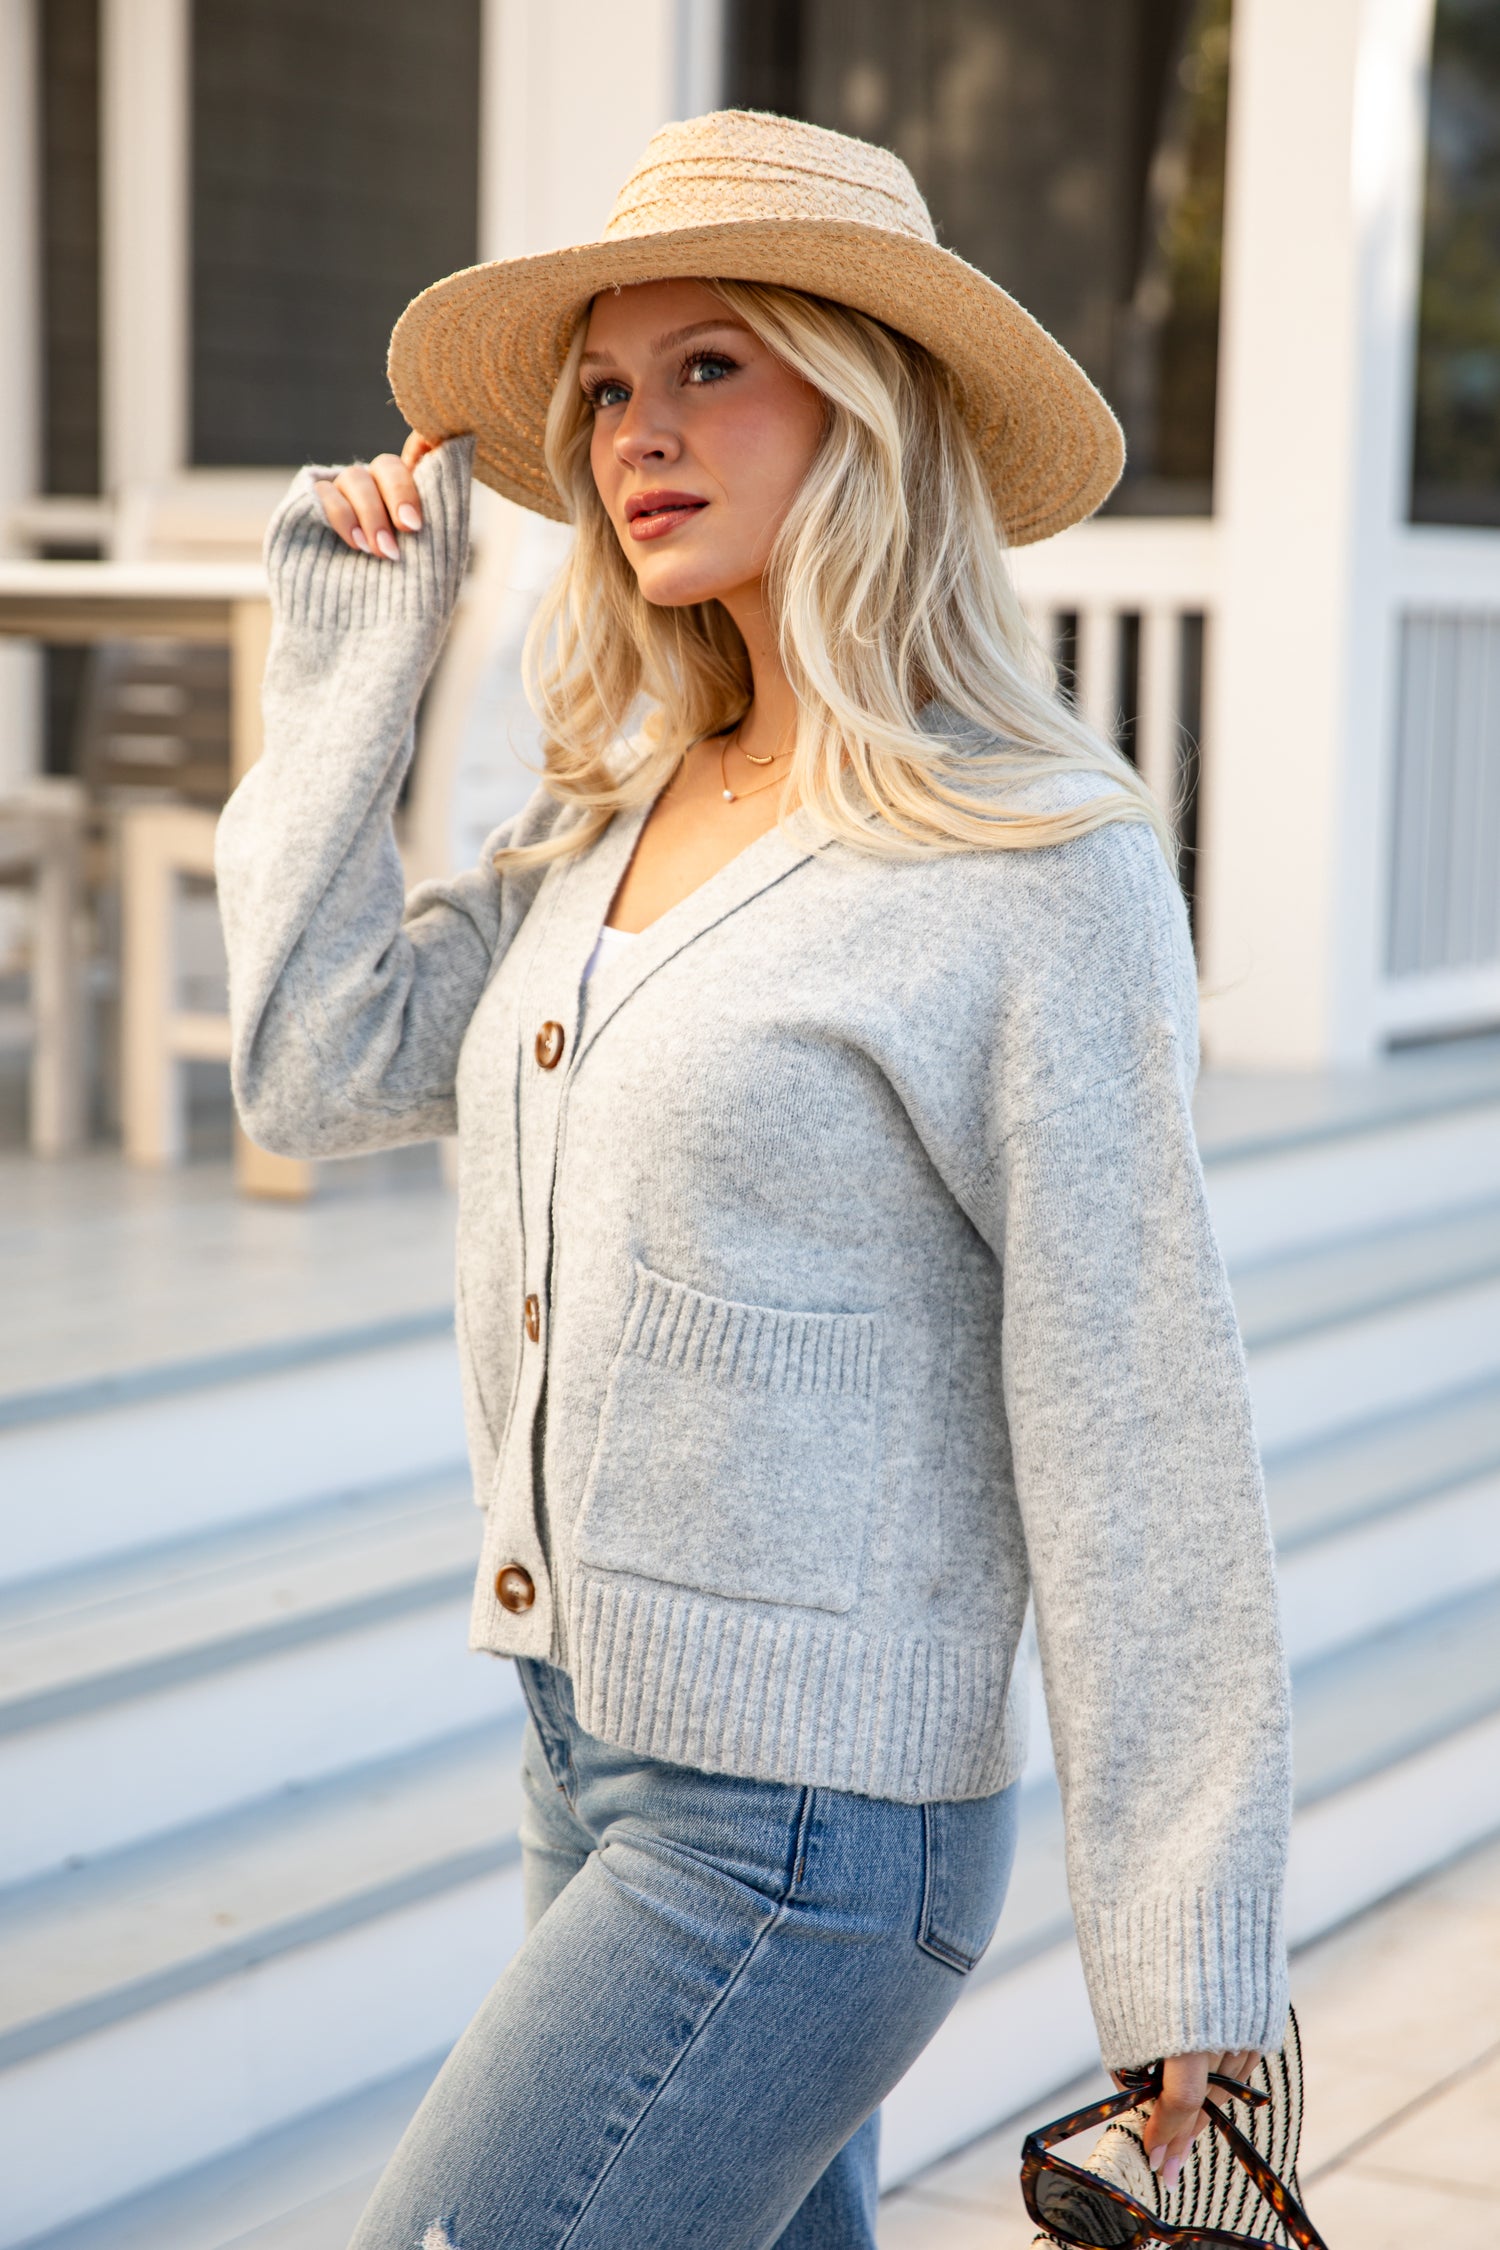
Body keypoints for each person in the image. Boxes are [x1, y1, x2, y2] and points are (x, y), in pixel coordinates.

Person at [215, 108, 1291, 2250]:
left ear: (865, 404)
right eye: (608, 386)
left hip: (805, 1836)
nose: (637, 433)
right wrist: (354, 661)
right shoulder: (614, 813)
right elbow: (314, 1065)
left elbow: (1136, 1413)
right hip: (586, 1752)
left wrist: (1189, 1950)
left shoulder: (1032, 868)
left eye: (713, 365)